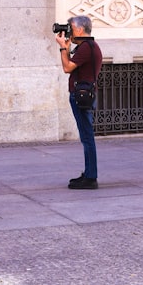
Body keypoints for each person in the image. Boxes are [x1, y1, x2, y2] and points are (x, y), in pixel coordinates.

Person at [55, 15, 103, 189]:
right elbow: (70, 66)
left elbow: (67, 68)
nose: (69, 31)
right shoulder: (88, 46)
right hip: (82, 95)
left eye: (71, 28)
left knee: (87, 137)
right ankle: (89, 173)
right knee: (86, 136)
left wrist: (62, 48)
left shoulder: (86, 48)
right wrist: (66, 48)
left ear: (80, 29)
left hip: (81, 97)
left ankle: (91, 178)